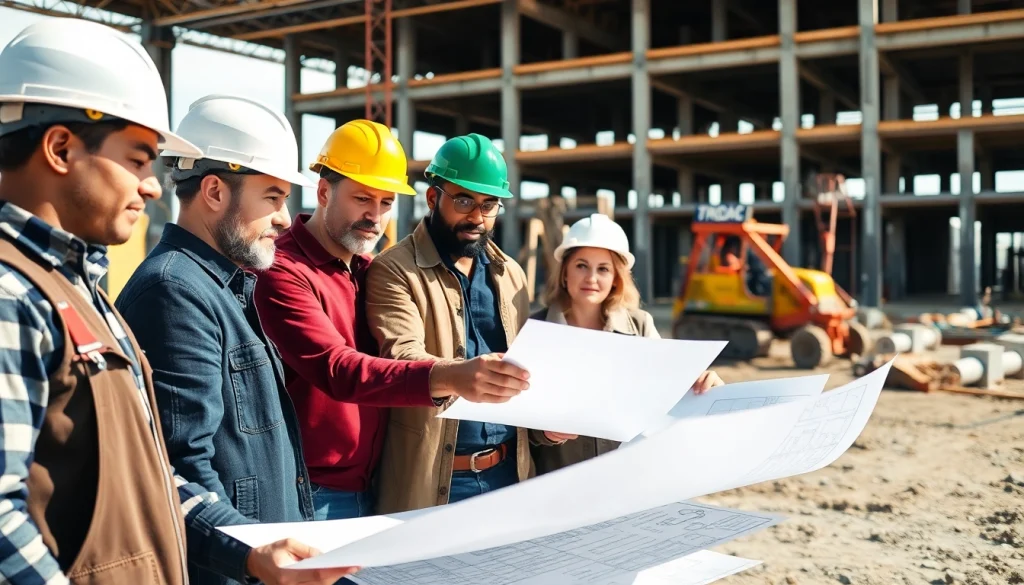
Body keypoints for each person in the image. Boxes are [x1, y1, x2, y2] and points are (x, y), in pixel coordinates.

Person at [0, 20, 354, 585]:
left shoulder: (81, 290)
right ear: (61, 147)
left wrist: (248, 552)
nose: (152, 185)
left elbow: (151, 474)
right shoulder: (12, 294)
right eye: (139, 159)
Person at [252, 120, 531, 521]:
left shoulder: (363, 268)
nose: (375, 216)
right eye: (363, 198)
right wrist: (454, 375)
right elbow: (338, 369)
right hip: (312, 488)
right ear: (325, 191)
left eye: (386, 203)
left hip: (369, 482)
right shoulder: (284, 270)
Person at [365, 133, 573, 514]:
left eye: (489, 204)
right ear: (433, 198)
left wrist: (545, 429)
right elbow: (400, 356)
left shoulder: (511, 274)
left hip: (509, 475)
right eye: (464, 201)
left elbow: (527, 372)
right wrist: (460, 374)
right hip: (433, 483)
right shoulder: (394, 270)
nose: (477, 217)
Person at [529, 214, 725, 475]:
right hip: (557, 479)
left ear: (615, 279)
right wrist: (545, 433)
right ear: (564, 272)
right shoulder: (536, 330)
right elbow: (516, 422)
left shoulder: (640, 326)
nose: (591, 278)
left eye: (603, 269)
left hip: (627, 474)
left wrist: (703, 385)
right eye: (581, 266)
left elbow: (667, 392)